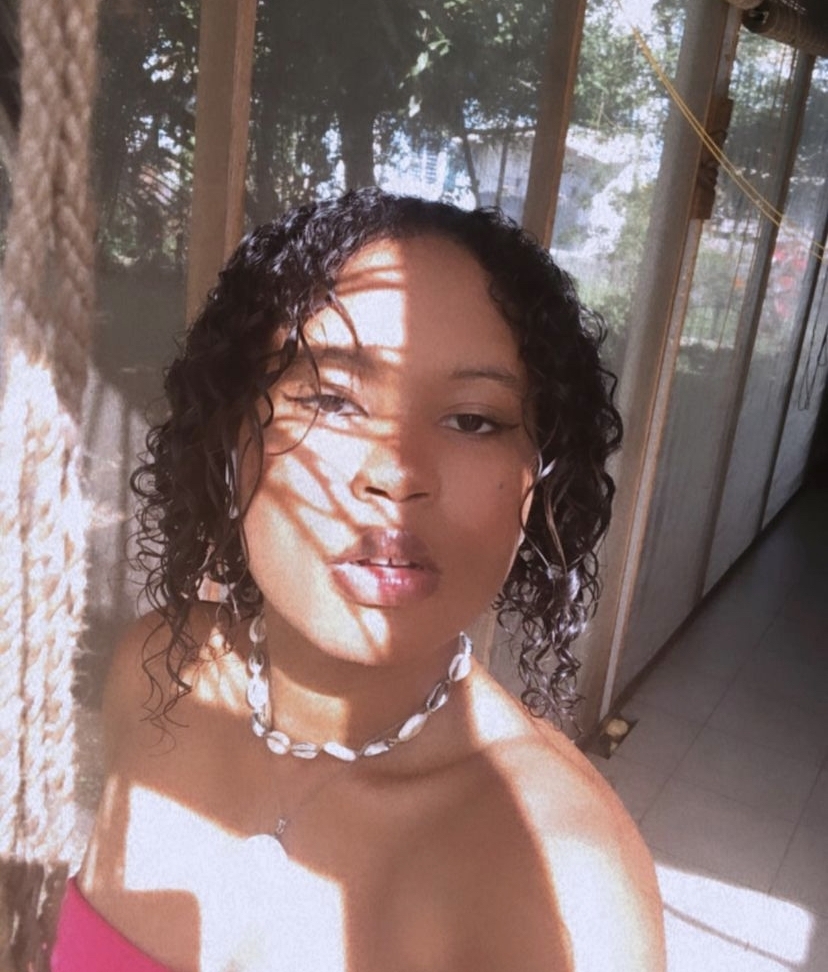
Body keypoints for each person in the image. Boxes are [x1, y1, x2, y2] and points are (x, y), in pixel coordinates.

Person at [53, 188, 665, 972]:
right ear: (232, 434)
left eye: (473, 419)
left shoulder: (567, 884)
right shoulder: (156, 679)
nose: (397, 473)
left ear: (539, 480)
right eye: (333, 399)